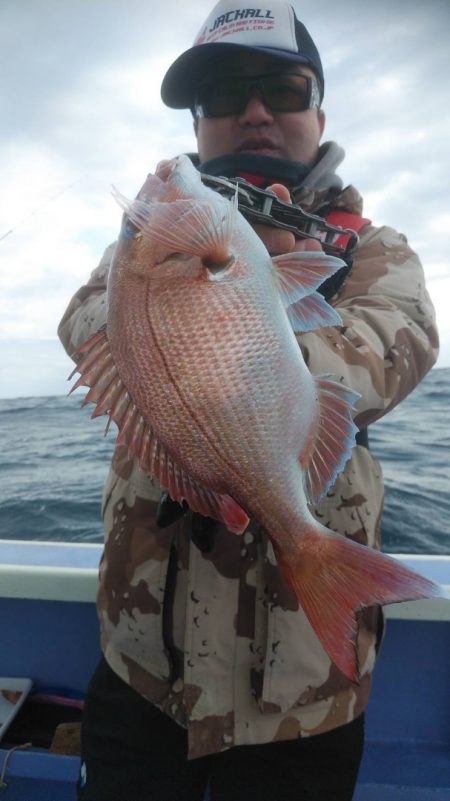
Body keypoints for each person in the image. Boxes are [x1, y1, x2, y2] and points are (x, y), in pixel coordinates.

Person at [58, 1, 439, 799]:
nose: (255, 111)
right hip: (142, 665)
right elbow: (85, 320)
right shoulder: (144, 240)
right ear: (198, 126)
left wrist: (243, 308)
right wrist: (205, 296)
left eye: (283, 88)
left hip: (301, 696)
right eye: (226, 95)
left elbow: (392, 348)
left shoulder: (374, 249)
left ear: (319, 110)